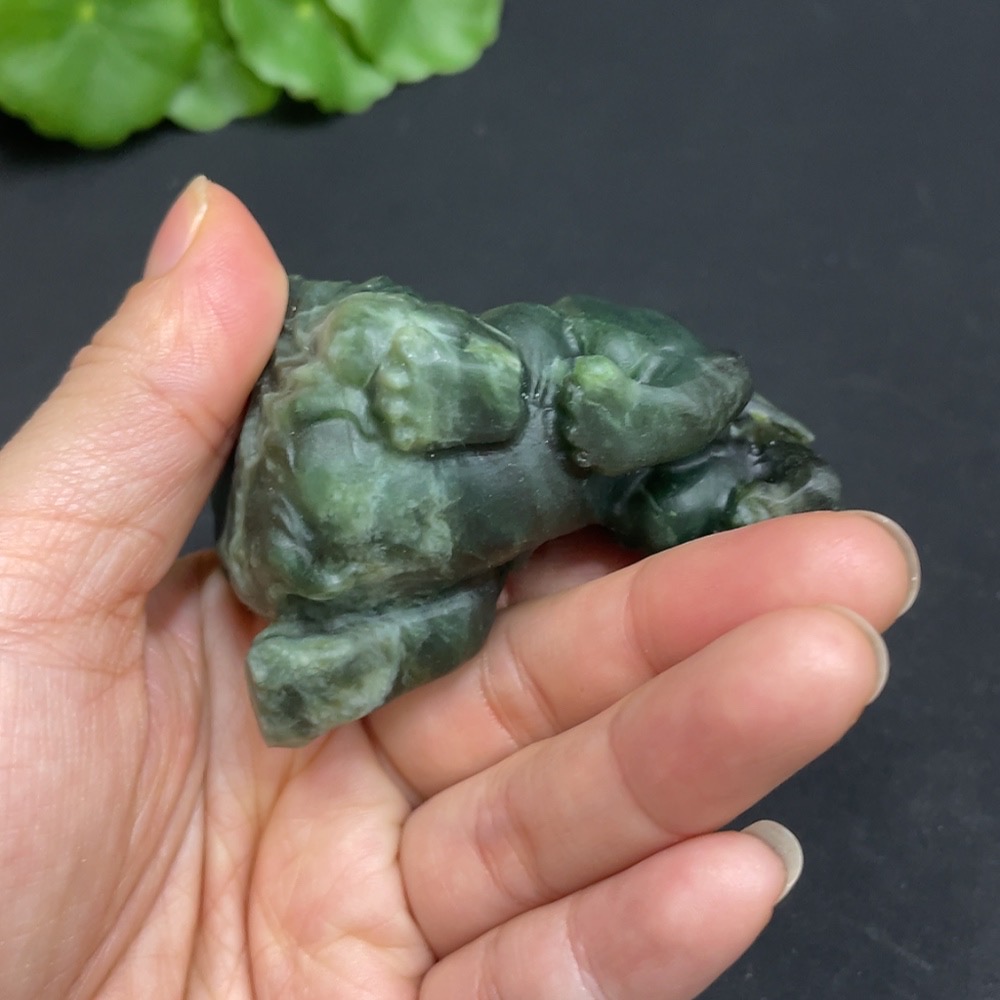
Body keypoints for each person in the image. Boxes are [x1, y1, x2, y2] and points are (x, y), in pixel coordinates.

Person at [0, 178, 919, 999]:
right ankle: (445, 396)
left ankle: (332, 653)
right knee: (506, 380)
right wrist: (690, 404)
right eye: (721, 509)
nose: (691, 532)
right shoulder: (682, 374)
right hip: (400, 407)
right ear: (751, 438)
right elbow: (593, 401)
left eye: (711, 535)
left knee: (468, 620)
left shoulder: (599, 520)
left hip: (322, 552)